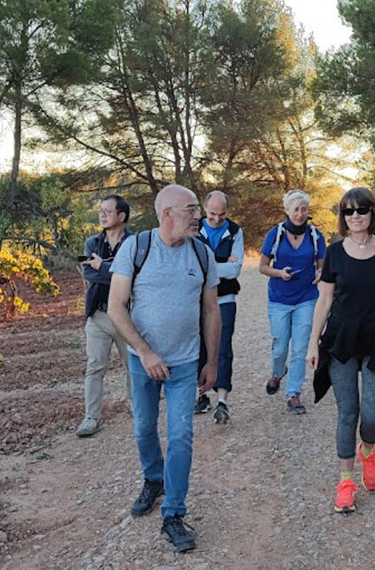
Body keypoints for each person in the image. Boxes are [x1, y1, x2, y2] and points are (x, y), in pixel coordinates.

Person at [108, 184, 221, 552]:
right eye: (191, 209)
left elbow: (211, 311)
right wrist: (144, 351)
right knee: (143, 427)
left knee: (181, 435)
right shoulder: (136, 248)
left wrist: (212, 361)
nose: (198, 216)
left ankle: (173, 513)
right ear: (167, 213)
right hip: (144, 363)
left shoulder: (202, 254)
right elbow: (115, 308)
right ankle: (153, 479)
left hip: (186, 364)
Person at [306, 187, 375, 514]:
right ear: (342, 217)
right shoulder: (335, 253)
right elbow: (324, 300)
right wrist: (313, 343)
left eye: (361, 209)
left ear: (373, 213)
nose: (355, 216)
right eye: (348, 211)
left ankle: (368, 450)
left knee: (371, 416)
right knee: (348, 413)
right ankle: (345, 481)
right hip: (341, 339)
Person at [258, 189, 326, 414]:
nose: (300, 214)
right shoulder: (275, 234)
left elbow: (321, 265)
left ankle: (293, 394)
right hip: (279, 299)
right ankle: (278, 373)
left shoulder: (315, 235)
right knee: (279, 347)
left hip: (307, 298)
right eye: (295, 209)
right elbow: (263, 267)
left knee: (299, 348)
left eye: (304, 209)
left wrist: (320, 274)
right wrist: (279, 273)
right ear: (286, 210)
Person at [76, 195, 133, 437]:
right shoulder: (92, 243)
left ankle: (137, 407)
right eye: (101, 211)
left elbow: (135, 276)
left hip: (127, 315)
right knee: (94, 367)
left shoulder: (134, 244)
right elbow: (89, 275)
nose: (102, 215)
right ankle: (91, 417)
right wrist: (114, 271)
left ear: (121, 216)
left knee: (134, 366)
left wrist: (104, 266)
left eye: (107, 211)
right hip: (98, 315)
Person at [194, 190, 244, 424]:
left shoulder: (235, 231)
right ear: (205, 209)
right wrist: (222, 264)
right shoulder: (193, 229)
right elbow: (191, 266)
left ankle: (222, 400)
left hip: (225, 298)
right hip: (196, 299)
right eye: (212, 214)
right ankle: (202, 394)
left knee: (223, 347)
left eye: (222, 216)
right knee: (199, 346)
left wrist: (209, 266)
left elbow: (235, 270)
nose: (216, 219)